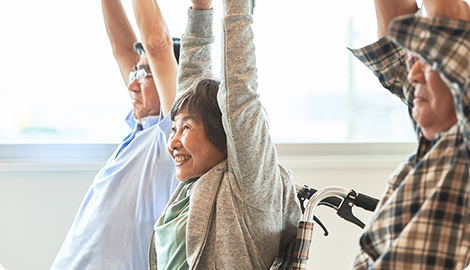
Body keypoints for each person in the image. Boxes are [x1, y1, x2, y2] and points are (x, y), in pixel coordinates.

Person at [147, 0, 301, 269]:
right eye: (174, 128)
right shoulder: (192, 188)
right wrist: (201, 10)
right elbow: (190, 87)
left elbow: (240, 94)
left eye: (186, 128)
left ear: (225, 131)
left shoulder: (248, 188)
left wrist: (236, 7)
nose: (172, 142)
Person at [50, 0, 179, 269]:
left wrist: (156, 55)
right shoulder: (139, 132)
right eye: (136, 72)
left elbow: (157, 44)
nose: (133, 84)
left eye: (145, 73)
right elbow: (122, 49)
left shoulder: (168, 137)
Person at [348, 0, 470, 269]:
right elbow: (394, 31)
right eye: (413, 61)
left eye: (426, 63)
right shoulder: (436, 142)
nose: (413, 75)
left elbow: (453, 26)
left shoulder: (463, 155)